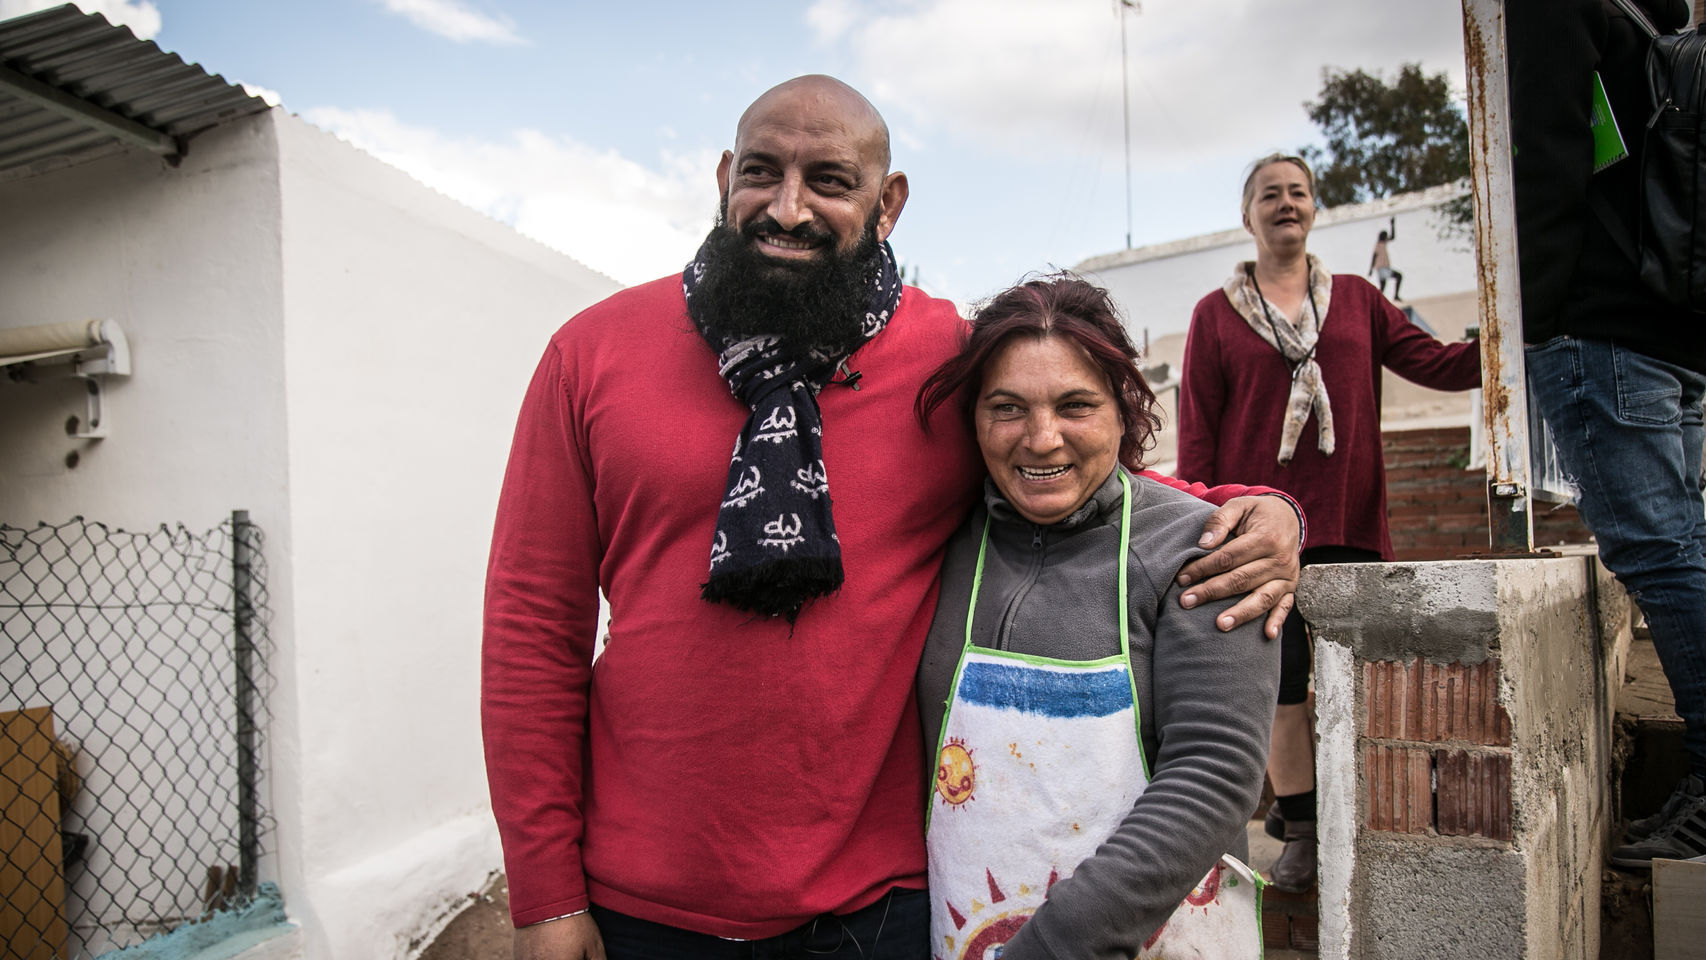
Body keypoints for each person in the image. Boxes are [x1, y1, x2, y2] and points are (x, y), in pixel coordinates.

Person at [482, 75, 1305, 960]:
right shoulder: (591, 354)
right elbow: (533, 631)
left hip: (882, 908)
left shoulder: (950, 364)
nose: (788, 209)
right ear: (724, 178)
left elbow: (1076, 469)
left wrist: (1264, 511)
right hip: (639, 905)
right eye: (762, 172)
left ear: (889, 203)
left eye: (830, 180)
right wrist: (544, 896)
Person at [914, 276, 1277, 959]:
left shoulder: (1205, 552)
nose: (1041, 439)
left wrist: (1051, 947)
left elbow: (1216, 773)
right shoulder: (941, 544)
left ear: (1123, 409)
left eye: (1075, 405)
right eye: (1008, 408)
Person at [1176, 153, 1481, 893]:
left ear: (1315, 209)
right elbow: (1197, 433)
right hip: (1257, 531)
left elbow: (1437, 364)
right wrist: (1204, 520)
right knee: (1280, 685)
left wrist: (1515, 331)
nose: (1286, 203)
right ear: (1246, 217)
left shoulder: (1360, 300)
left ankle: (1360, 816)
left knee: (1358, 686)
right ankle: (1304, 831)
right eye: (1269, 194)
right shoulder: (1214, 317)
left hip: (1348, 517)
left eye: (1299, 192)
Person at [1508, 0, 1706, 867]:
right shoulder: (1657, 9)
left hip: (1601, 326)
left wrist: (1534, 313)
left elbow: (1545, 157)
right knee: (1687, 547)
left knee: (1661, 555)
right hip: (1673, 324)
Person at [1368, 216, 1402, 300]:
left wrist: (1392, 225)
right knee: (1387, 284)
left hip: (1385, 268)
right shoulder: (1378, 245)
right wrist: (1371, 270)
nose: (1387, 237)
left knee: (1384, 286)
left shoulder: (1384, 243)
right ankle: (1377, 300)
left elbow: (1392, 237)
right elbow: (1374, 257)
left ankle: (1394, 296)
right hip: (1381, 268)